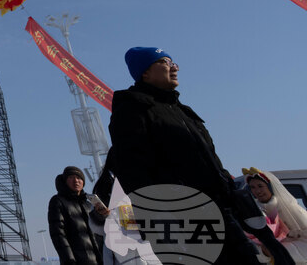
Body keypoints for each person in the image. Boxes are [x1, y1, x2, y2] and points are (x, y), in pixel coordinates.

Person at [107, 47, 270, 264]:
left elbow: (213, 162)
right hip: (184, 215)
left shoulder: (183, 111)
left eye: (174, 62)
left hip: (221, 209)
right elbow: (132, 170)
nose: (174, 67)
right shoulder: (132, 110)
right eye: (165, 62)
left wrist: (232, 193)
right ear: (145, 72)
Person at [244, 168, 307, 263]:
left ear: (269, 186)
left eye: (260, 186)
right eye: (253, 187)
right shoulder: (252, 210)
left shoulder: (288, 206)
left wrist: (287, 236)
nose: (257, 191)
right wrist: (264, 251)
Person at [48, 165, 103, 265]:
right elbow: (58, 234)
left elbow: (99, 230)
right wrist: (69, 260)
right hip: (77, 260)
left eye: (79, 178)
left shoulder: (88, 204)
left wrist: (102, 216)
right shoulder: (58, 201)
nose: (76, 181)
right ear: (65, 181)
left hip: (98, 260)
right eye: (71, 178)